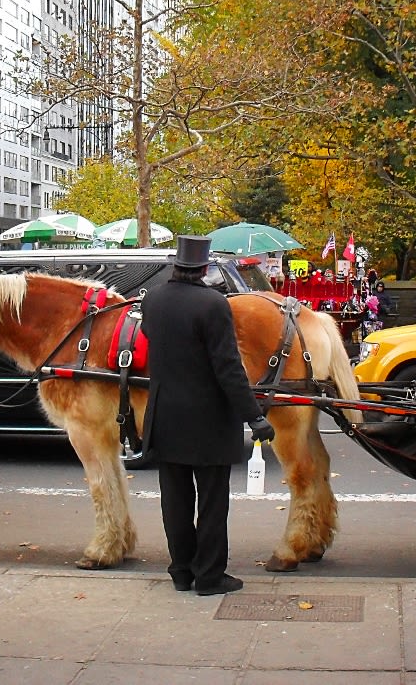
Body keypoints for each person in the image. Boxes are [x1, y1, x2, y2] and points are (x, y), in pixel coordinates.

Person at [141, 235, 275, 596]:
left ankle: (181, 571)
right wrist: (254, 417)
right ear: (204, 268)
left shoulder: (152, 300)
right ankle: (210, 576)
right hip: (209, 421)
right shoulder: (214, 305)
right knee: (213, 503)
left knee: (175, 502)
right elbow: (228, 368)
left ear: (176, 265)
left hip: (165, 416)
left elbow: (147, 335)